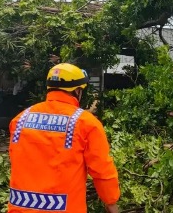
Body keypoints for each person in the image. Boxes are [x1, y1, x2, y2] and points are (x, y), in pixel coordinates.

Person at [8, 63, 120, 213]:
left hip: (20, 208)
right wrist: (111, 201)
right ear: (77, 91)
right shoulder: (86, 123)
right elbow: (102, 169)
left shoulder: (20, 119)